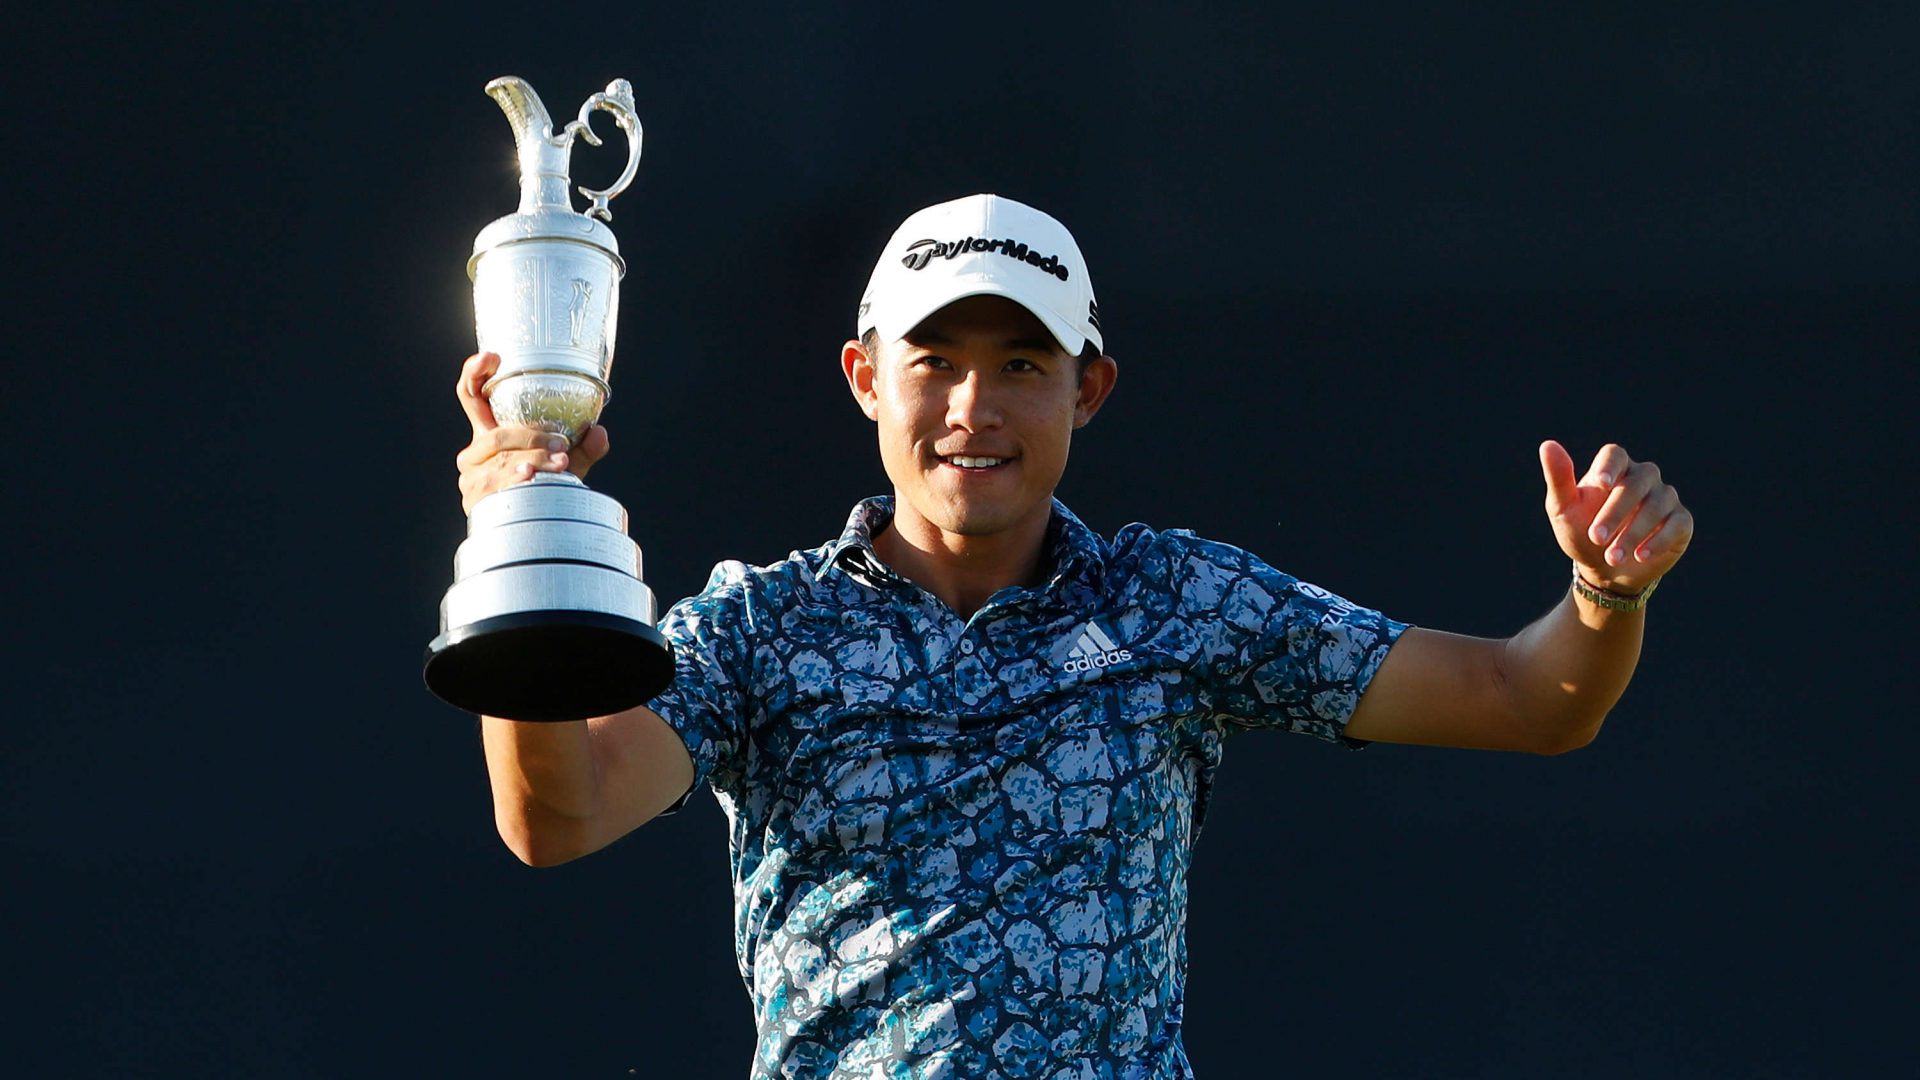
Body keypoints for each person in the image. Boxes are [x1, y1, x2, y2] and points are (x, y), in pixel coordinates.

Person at [452, 193, 1693, 1077]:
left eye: (1024, 365)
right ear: (865, 378)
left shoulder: (1173, 602)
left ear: (1087, 388)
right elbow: (557, 815)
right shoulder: (761, 628)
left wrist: (1605, 596)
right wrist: (519, 561)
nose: (973, 409)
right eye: (932, 361)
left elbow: (1531, 702)